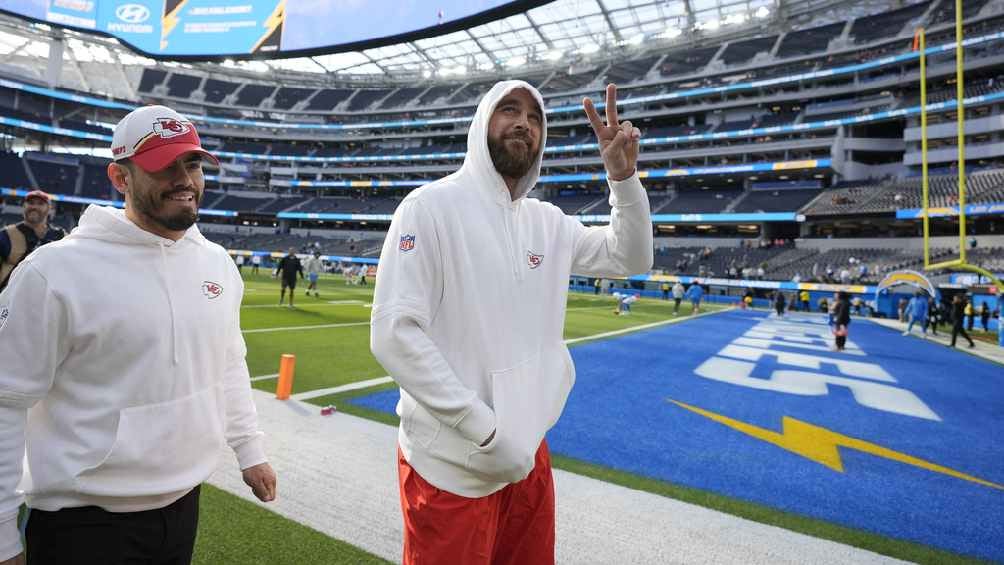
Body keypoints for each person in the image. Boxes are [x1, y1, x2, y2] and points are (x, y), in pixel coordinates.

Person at [370, 81, 651, 565]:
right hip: (452, 466)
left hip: (526, 457)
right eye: (509, 110)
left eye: (535, 117)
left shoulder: (547, 221)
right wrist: (484, 431)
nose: (524, 123)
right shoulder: (428, 207)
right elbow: (394, 333)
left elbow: (631, 257)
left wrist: (623, 182)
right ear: (482, 123)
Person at [0, 105, 275, 565]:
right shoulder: (55, 272)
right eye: (164, 166)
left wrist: (250, 450)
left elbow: (228, 361)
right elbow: (6, 402)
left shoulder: (217, 264)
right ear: (120, 177)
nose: (184, 179)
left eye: (192, 163)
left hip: (183, 504)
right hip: (83, 521)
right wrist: (3, 534)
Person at [0, 191, 66, 291]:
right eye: (31, 203)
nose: (34, 207)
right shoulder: (6, 235)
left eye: (40, 204)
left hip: (44, 298)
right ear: (24, 206)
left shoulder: (60, 237)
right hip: (9, 298)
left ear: (49, 209)